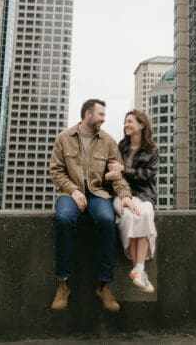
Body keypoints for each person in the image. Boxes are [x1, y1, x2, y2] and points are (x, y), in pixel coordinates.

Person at [49, 98, 141, 312]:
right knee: (63, 219)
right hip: (69, 193)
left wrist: (125, 196)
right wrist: (73, 191)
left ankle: (105, 285)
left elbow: (117, 175)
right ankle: (63, 284)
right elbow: (56, 171)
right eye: (101, 114)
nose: (104, 118)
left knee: (107, 220)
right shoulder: (64, 138)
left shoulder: (108, 141)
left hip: (97, 193)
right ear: (88, 114)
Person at [106, 109, 159, 294]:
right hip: (122, 195)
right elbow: (113, 171)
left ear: (141, 125)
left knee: (144, 213)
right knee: (129, 215)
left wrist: (124, 170)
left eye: (130, 121)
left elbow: (147, 175)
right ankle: (138, 270)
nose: (126, 124)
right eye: (125, 121)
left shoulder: (152, 150)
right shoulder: (120, 147)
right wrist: (117, 172)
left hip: (145, 195)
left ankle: (138, 269)